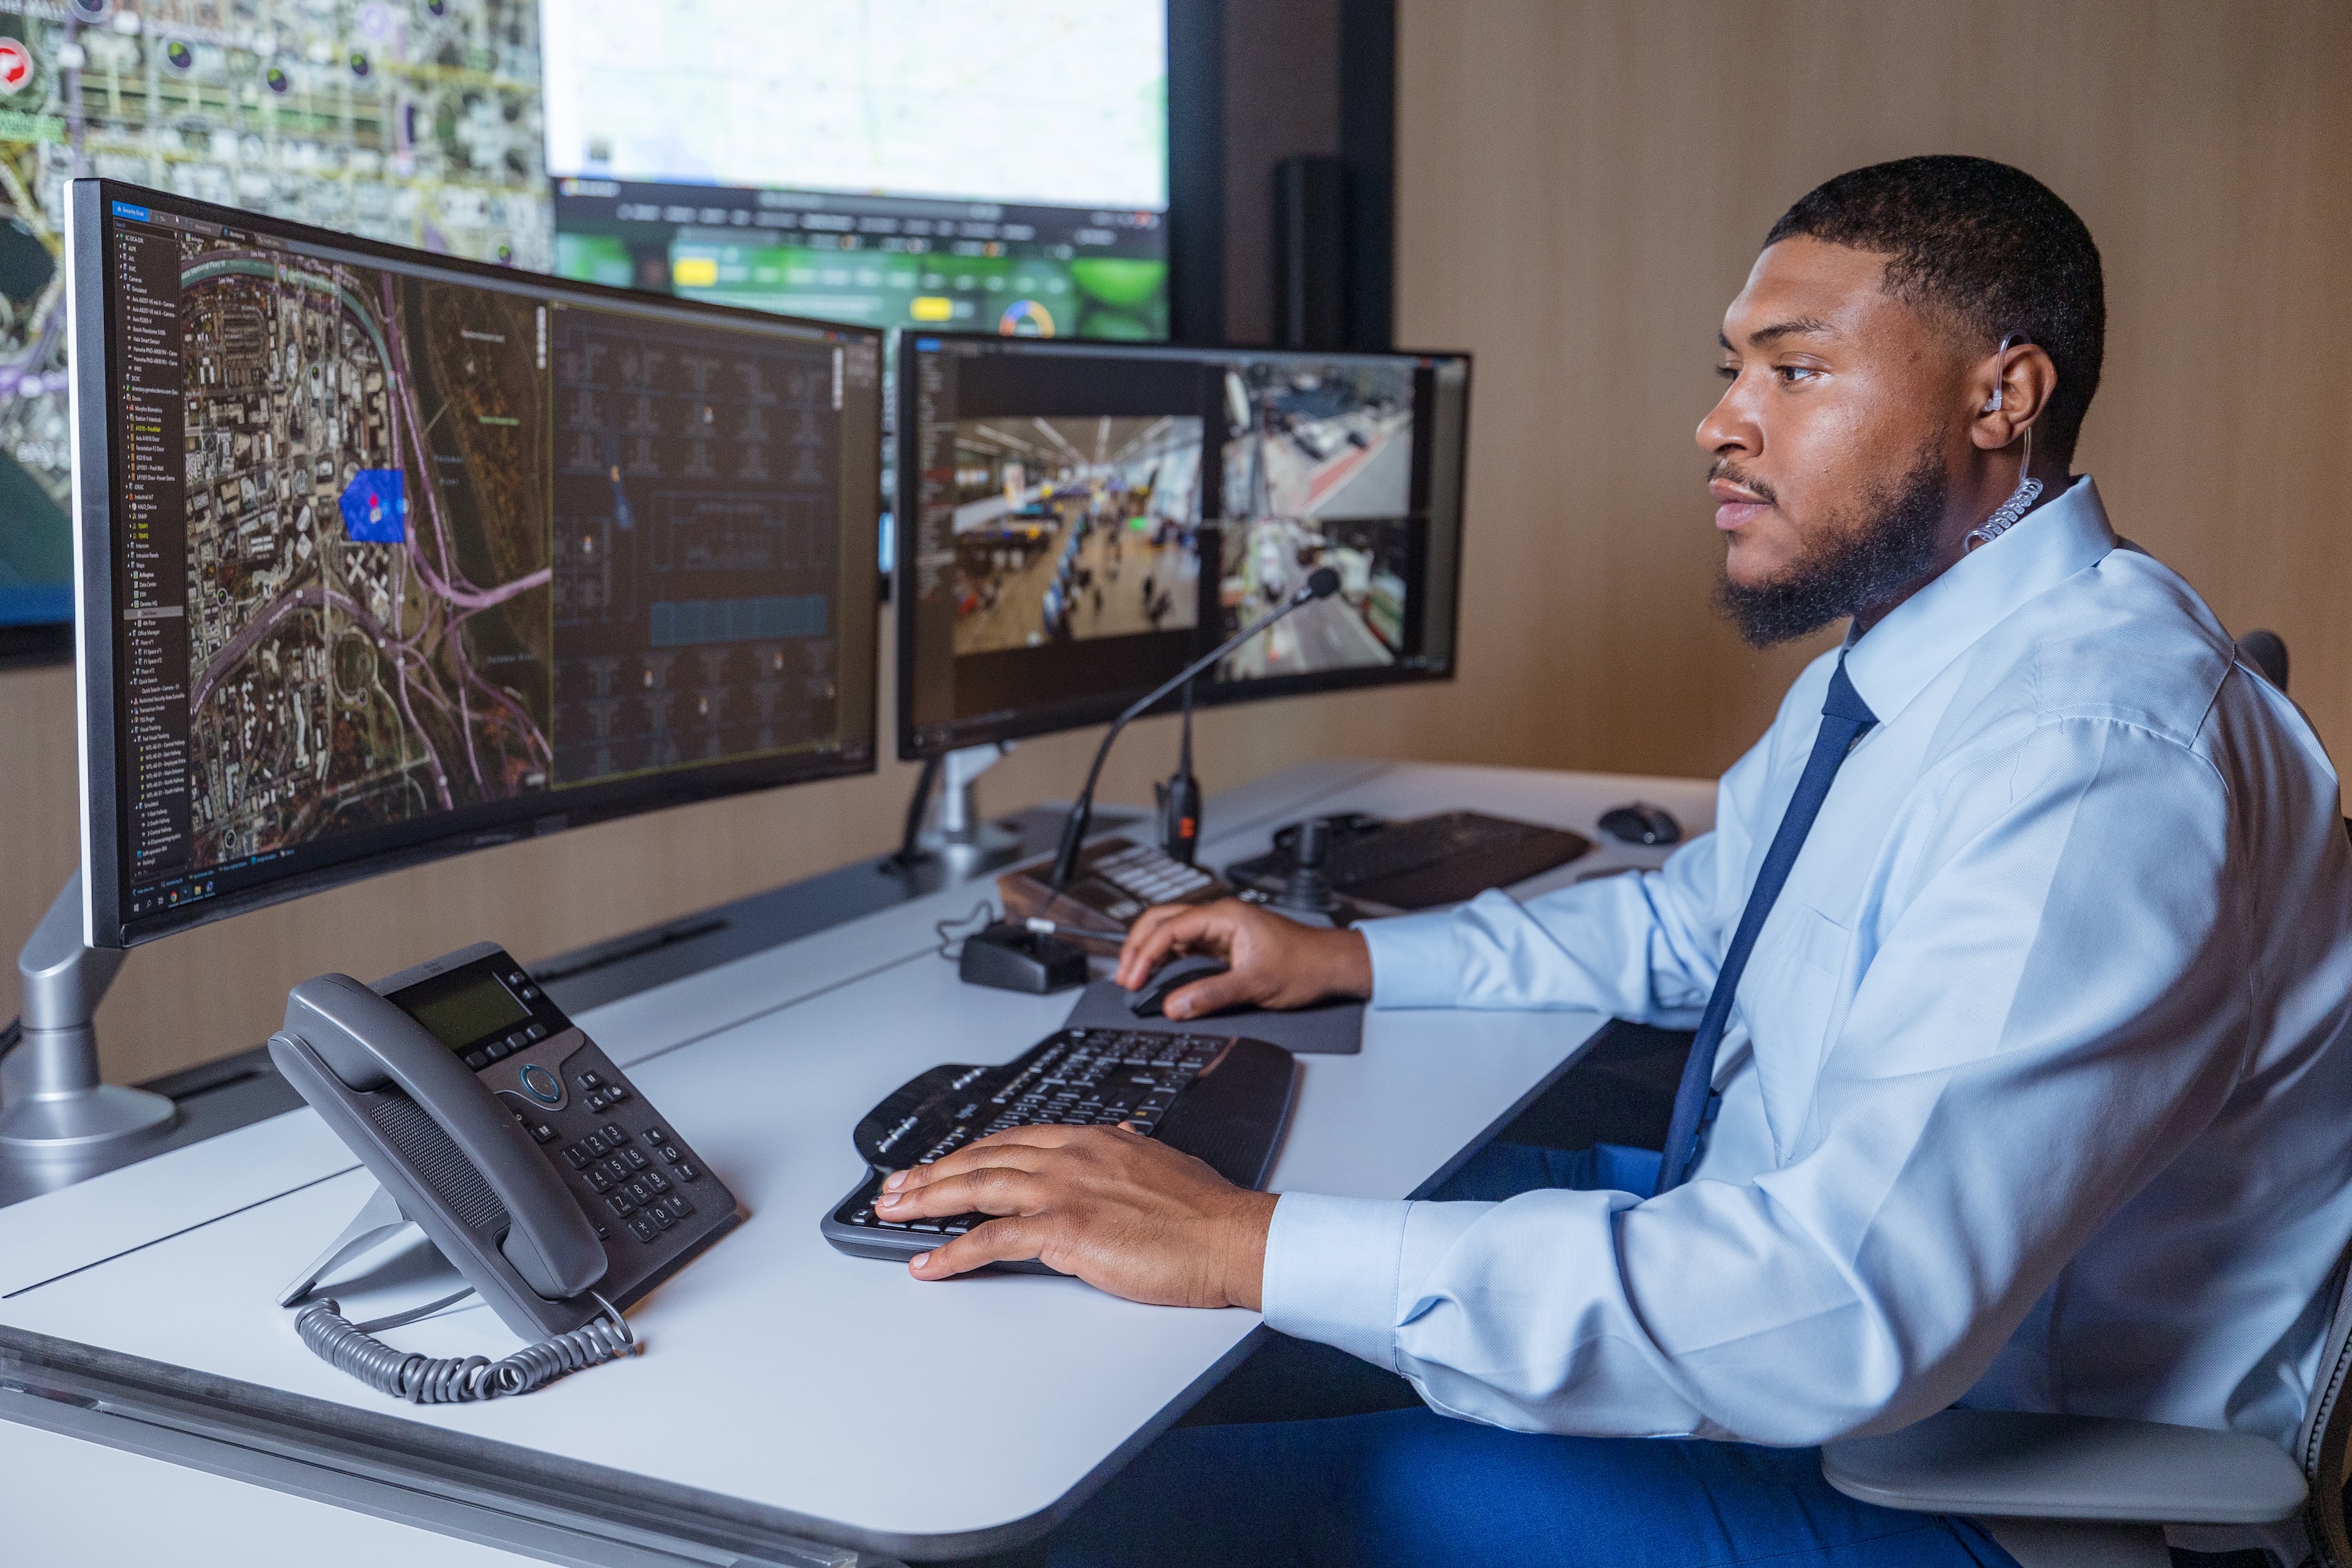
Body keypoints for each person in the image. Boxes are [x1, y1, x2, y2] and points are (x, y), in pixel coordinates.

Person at [874, 157, 2352, 1567]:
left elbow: (1846, 1310)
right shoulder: (1937, 658)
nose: (1721, 421)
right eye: (1730, 369)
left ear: (2000, 394)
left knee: (1127, 1501)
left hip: (1966, 1482)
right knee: (1226, 1271)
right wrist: (1353, 956)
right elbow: (1700, 922)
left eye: (1794, 368)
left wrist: (1243, 1245)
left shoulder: (2092, 753)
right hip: (1812, 1303)